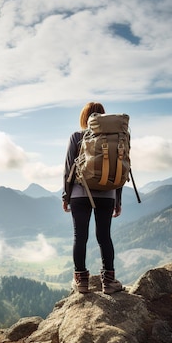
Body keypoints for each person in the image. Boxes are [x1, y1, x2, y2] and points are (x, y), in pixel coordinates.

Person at [62, 102, 123, 295]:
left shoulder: (77, 137)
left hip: (80, 193)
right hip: (107, 194)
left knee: (80, 237)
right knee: (104, 236)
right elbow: (119, 171)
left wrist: (66, 195)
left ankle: (81, 282)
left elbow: (68, 169)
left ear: (84, 118)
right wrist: (118, 200)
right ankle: (109, 282)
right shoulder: (116, 139)